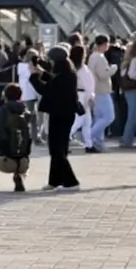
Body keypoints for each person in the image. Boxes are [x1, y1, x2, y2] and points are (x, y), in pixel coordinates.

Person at [29, 46, 80, 190]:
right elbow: (53, 80)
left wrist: (34, 76)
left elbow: (45, 89)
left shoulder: (62, 77)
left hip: (60, 115)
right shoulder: (69, 74)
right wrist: (41, 72)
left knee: (57, 149)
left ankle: (71, 181)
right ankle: (55, 180)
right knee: (58, 148)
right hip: (65, 114)